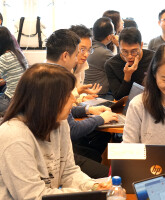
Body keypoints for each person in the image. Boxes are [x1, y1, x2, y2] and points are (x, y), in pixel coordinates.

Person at [0, 63, 111, 199]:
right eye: (68, 94)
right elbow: (32, 196)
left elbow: (68, 171)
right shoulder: (14, 136)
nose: (74, 99)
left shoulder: (59, 123)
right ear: (47, 101)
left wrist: (92, 187)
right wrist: (87, 194)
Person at [46, 29, 118, 178]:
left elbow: (69, 109)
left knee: (93, 151)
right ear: (66, 55)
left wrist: (88, 110)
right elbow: (72, 128)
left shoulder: (46, 74)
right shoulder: (56, 81)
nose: (81, 56)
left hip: (56, 147)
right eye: (78, 51)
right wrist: (100, 118)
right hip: (53, 153)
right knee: (112, 176)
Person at [105, 27, 154, 100]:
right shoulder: (111, 65)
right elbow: (118, 97)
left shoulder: (153, 58)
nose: (129, 56)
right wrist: (127, 76)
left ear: (141, 45)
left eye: (134, 51)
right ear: (119, 46)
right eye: (124, 51)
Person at [0, 26, 28, 116]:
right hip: (25, 98)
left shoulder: (4, 58)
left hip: (12, 100)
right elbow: (16, 76)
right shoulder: (18, 53)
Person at [85, 17, 115, 100]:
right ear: (109, 37)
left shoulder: (90, 47)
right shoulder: (105, 53)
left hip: (87, 92)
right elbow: (120, 65)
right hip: (99, 95)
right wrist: (119, 45)